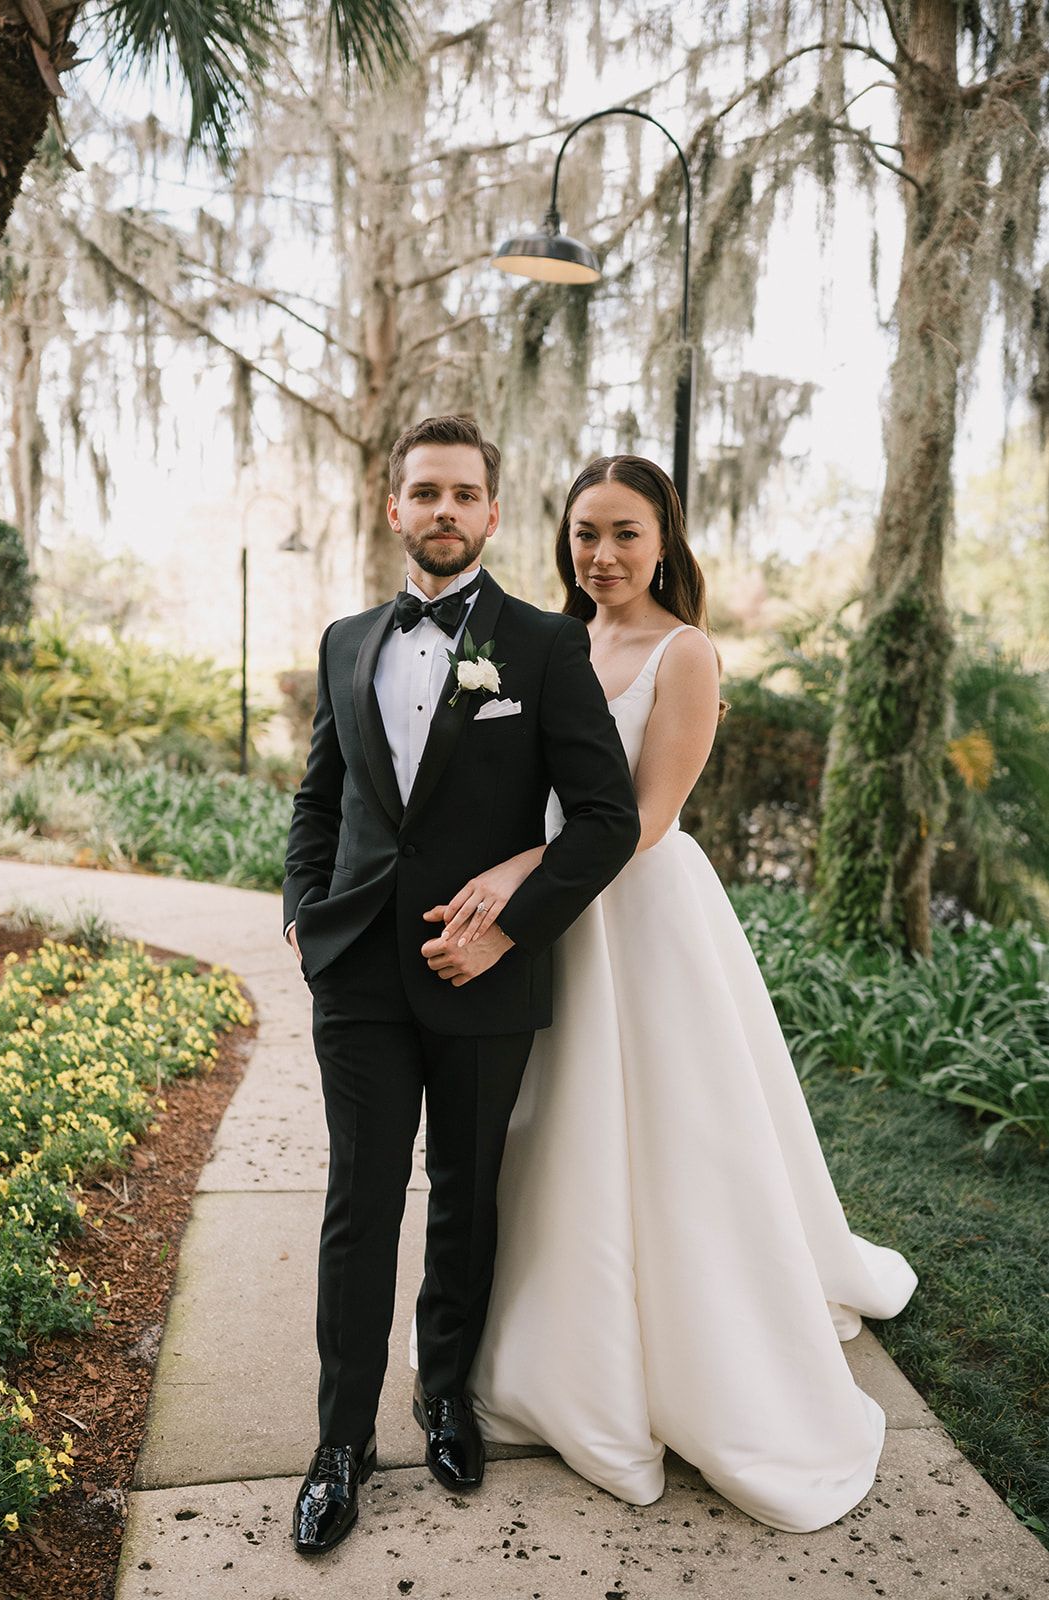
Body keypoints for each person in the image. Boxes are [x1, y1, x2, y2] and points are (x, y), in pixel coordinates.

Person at [433, 454, 918, 1534]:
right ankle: (557, 1339)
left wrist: (523, 873)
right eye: (584, 534)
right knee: (549, 1124)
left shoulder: (684, 652)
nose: (601, 556)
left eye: (625, 534)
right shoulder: (541, 644)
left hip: (638, 912)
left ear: (665, 542)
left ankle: (698, 1347)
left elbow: (648, 818)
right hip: (554, 912)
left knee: (674, 1131)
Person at [282, 415, 640, 1556]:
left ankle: (446, 1399)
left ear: (492, 514)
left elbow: (606, 821)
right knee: (359, 1205)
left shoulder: (541, 647)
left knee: (467, 1196)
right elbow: (319, 799)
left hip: (486, 977)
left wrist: (511, 931)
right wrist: (303, 911)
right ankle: (341, 1441)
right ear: (395, 509)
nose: (442, 511)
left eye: (464, 494)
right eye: (423, 492)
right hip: (357, 977)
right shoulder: (347, 639)